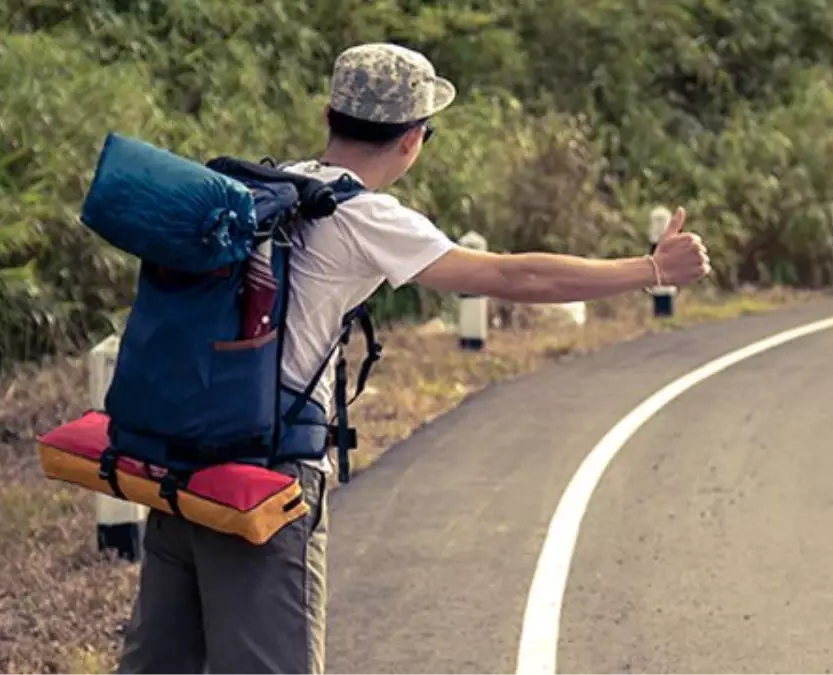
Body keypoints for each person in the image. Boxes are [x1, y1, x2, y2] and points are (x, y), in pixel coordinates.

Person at [115, 42, 711, 675]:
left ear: (328, 115)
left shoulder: (265, 188)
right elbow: (515, 278)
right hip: (265, 476)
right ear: (413, 140)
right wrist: (650, 269)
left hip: (175, 456)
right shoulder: (365, 217)